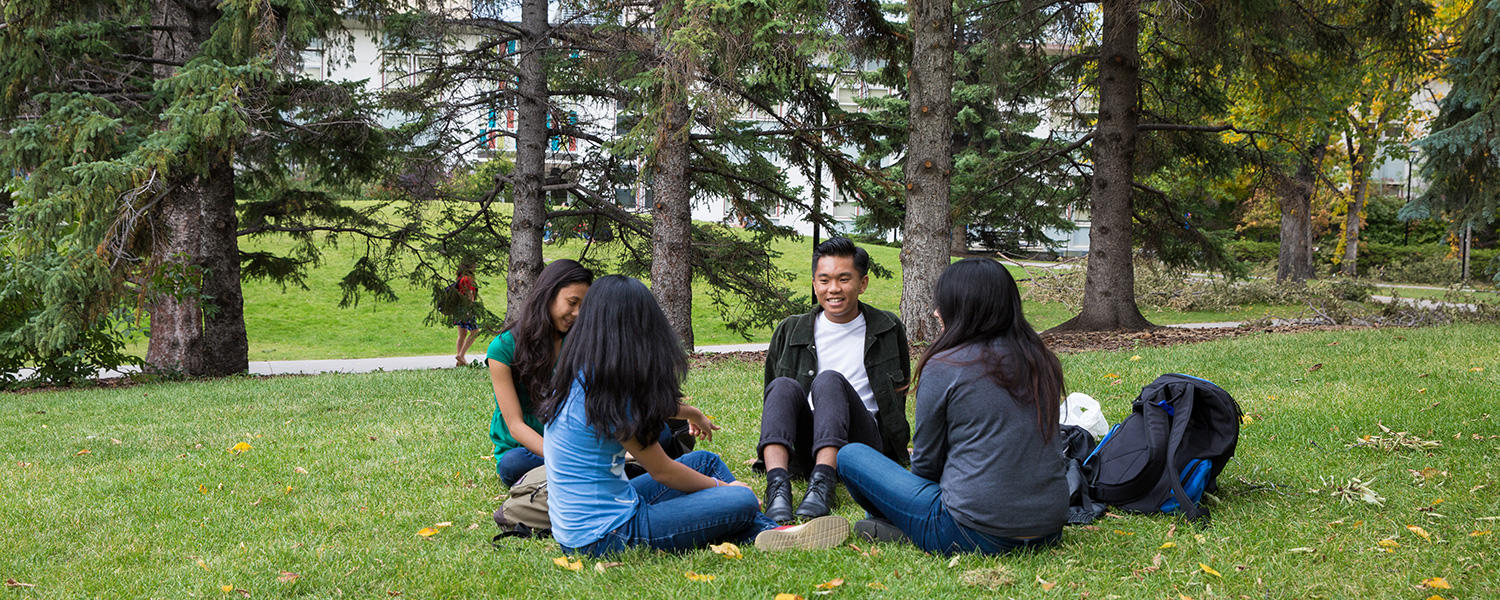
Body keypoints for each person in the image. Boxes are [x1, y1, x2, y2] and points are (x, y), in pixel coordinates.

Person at [541, 275, 849, 556]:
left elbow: (646, 406)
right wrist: (725, 490)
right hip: (609, 535)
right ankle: (772, 531)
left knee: (707, 462)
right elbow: (664, 472)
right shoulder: (611, 390)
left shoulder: (585, 374)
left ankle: (764, 530)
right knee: (739, 500)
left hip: (589, 522)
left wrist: (691, 412)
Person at [835, 258, 1068, 555]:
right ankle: (902, 525)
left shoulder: (947, 365)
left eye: (942, 303)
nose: (935, 312)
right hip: (1047, 529)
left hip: (973, 531)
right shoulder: (1043, 361)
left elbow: (926, 467)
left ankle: (908, 528)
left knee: (851, 456)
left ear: (964, 307)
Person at [758, 237, 911, 523]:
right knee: (781, 386)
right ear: (815, 284)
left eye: (844, 279)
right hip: (807, 443)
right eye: (824, 280)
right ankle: (777, 486)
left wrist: (902, 447)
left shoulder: (888, 328)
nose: (834, 289)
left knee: (829, 380)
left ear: (862, 283)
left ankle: (823, 484)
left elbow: (898, 396)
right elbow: (774, 398)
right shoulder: (790, 330)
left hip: (862, 445)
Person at [487, 259, 593, 486]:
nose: (577, 313)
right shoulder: (503, 347)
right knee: (513, 464)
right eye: (572, 302)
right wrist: (568, 456)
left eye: (583, 306)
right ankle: (582, 469)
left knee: (660, 434)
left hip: (575, 440)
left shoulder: (580, 340)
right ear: (548, 295)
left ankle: (578, 470)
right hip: (529, 449)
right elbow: (515, 426)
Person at [452, 264, 481, 367]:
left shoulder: (460, 278)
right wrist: (471, 307)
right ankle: (461, 355)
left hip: (457, 309)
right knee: (475, 332)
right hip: (466, 309)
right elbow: (470, 295)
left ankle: (460, 361)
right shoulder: (467, 279)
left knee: (462, 334)